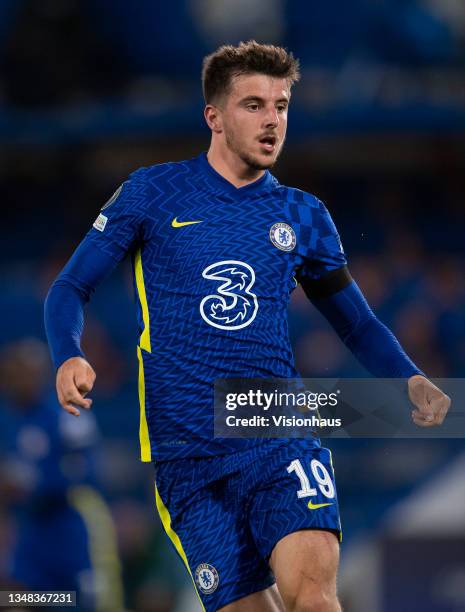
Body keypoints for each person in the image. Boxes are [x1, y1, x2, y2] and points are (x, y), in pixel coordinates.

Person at [44, 41, 450, 612]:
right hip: (185, 451)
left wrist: (408, 377)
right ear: (214, 115)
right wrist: (68, 353)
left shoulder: (304, 214)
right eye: (254, 105)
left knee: (312, 597)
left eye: (281, 106)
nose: (272, 121)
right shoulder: (152, 193)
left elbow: (357, 324)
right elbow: (70, 287)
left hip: (273, 423)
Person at [0, 338, 124, 611]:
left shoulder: (66, 412)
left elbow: (86, 472)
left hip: (75, 523)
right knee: (15, 598)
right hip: (33, 530)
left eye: (20, 373)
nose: (13, 381)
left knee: (83, 602)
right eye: (9, 375)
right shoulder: (11, 420)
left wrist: (31, 486)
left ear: (39, 374)